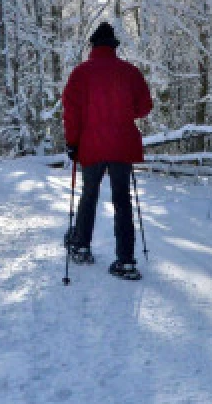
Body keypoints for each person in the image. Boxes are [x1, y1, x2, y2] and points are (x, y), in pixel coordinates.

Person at [61, 22, 153, 280]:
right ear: (113, 47)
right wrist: (126, 112)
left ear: (93, 46)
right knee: (122, 201)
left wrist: (72, 143)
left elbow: (71, 112)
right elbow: (145, 106)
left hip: (91, 145)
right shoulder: (129, 72)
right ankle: (125, 261)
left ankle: (81, 245)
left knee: (89, 196)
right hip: (122, 145)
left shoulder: (81, 73)